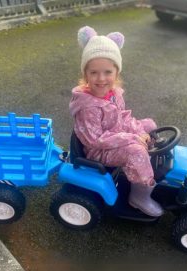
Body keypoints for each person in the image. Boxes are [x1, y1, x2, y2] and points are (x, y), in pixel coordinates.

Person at [69, 26, 163, 217]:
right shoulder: (88, 106)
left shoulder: (114, 94)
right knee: (136, 151)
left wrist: (138, 131)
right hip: (99, 151)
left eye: (107, 72)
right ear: (85, 74)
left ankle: (147, 164)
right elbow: (96, 140)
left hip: (116, 135)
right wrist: (132, 139)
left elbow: (123, 117)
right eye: (94, 72)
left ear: (116, 73)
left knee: (150, 125)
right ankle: (139, 196)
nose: (101, 78)